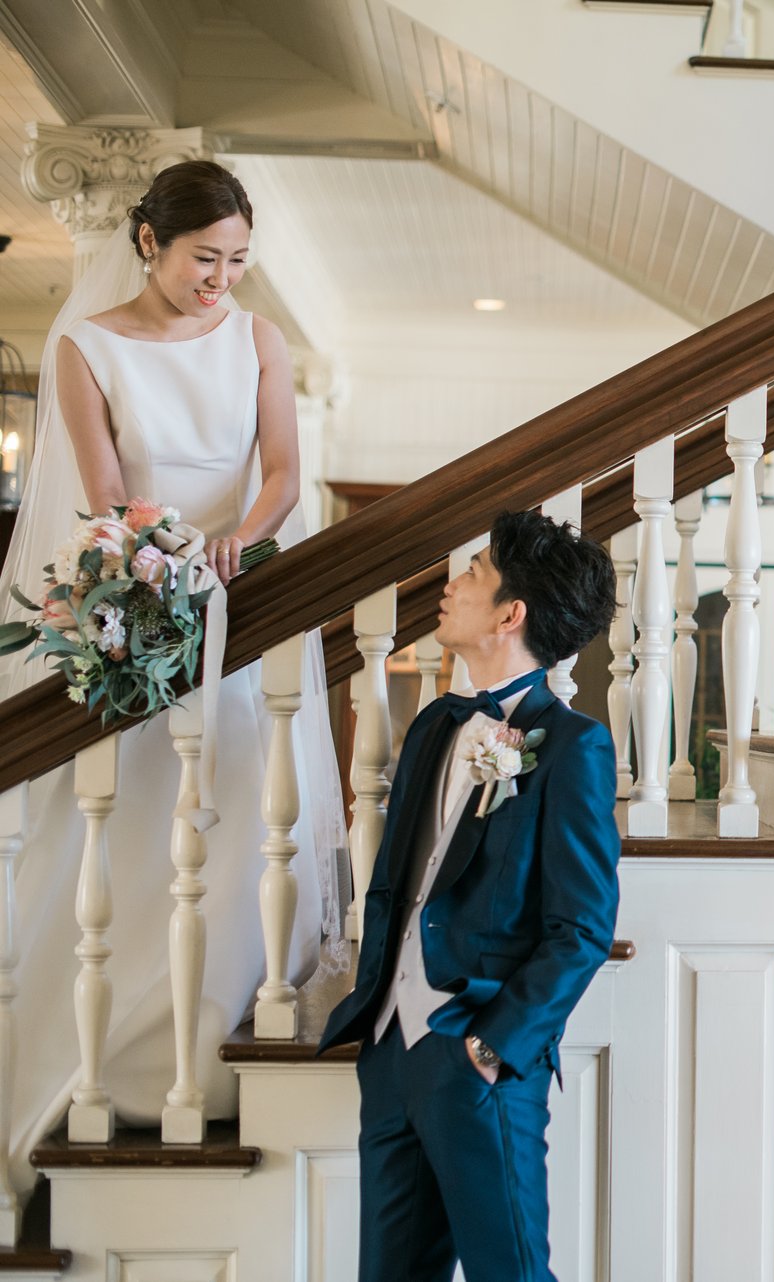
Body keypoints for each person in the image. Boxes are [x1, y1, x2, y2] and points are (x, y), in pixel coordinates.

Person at [0, 160, 342, 1190]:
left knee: (236, 823)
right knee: (139, 826)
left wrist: (238, 541)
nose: (221, 280)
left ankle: (218, 1053)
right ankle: (115, 1065)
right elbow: (107, 494)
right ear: (150, 242)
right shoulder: (84, 347)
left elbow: (283, 473)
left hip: (239, 611)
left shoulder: (258, 339)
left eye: (238, 260)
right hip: (144, 608)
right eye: (205, 257)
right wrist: (159, 565)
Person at [319, 510, 619, 1282]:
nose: (451, 585)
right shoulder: (433, 726)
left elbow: (582, 929)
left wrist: (490, 1047)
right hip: (391, 1054)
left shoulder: (573, 747)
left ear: (510, 615)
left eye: (474, 573)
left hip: (478, 1063)